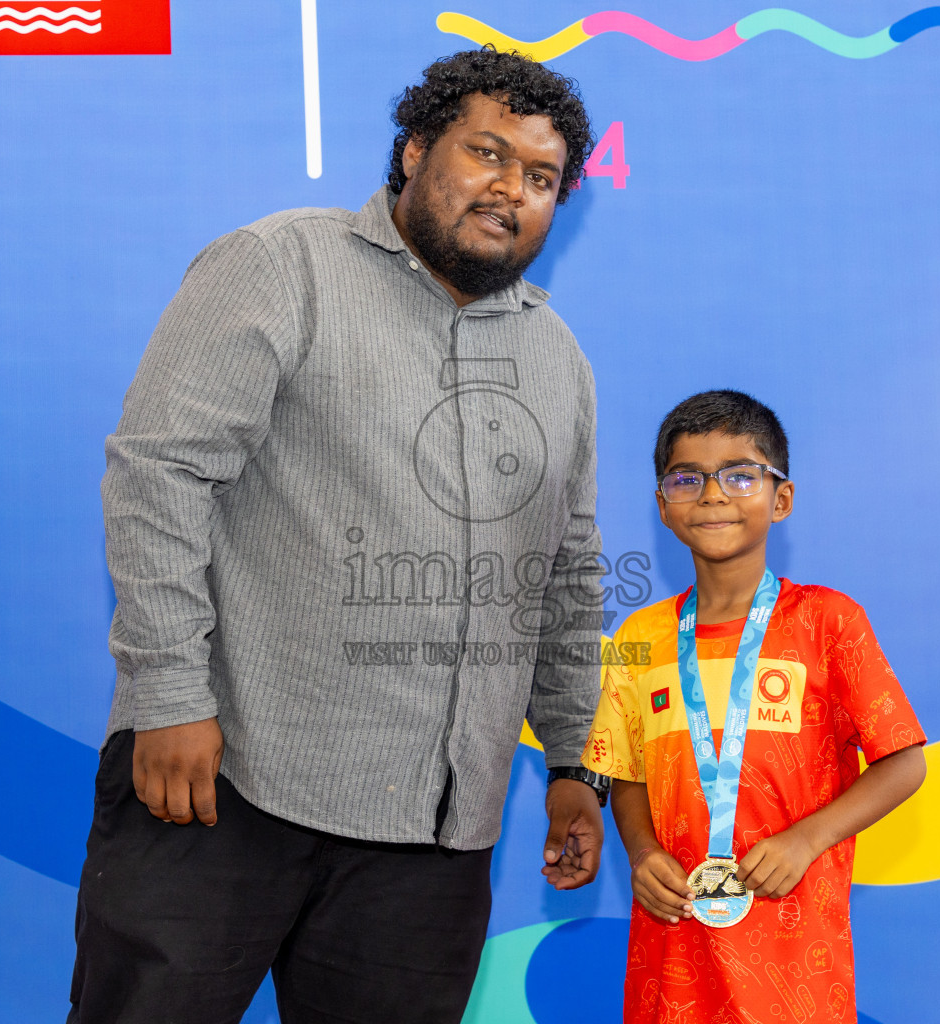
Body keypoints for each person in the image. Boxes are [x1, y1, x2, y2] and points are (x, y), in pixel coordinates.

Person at [69, 49, 613, 1024]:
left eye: (541, 179)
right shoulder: (283, 266)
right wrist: (166, 694)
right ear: (412, 151)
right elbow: (161, 473)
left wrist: (574, 761)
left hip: (436, 839)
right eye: (485, 154)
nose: (511, 190)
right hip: (224, 782)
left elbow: (565, 574)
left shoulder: (558, 359)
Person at [584, 390, 928, 1024]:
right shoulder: (638, 637)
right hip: (673, 948)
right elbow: (624, 771)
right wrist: (639, 852)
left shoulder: (831, 623)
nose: (713, 494)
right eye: (688, 478)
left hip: (796, 958)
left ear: (782, 498)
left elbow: (904, 763)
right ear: (664, 506)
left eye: (740, 475)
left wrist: (806, 840)